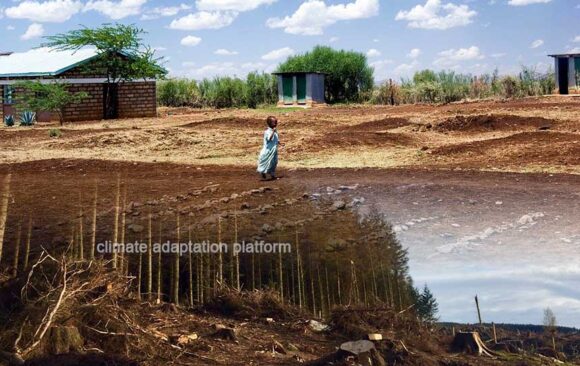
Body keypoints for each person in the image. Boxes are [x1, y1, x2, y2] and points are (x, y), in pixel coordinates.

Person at [257, 116, 280, 180]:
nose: (275, 124)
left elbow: (276, 138)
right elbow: (269, 138)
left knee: (274, 162)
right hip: (268, 150)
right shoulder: (267, 131)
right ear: (269, 123)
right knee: (266, 161)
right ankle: (262, 171)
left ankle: (272, 174)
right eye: (274, 123)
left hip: (273, 150)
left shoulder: (275, 131)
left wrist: (279, 142)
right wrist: (273, 131)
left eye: (276, 122)